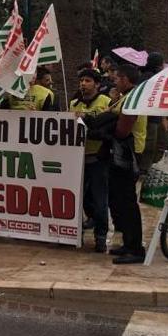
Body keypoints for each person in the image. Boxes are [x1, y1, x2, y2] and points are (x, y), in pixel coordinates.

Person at [107, 64, 147, 264]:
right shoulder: (127, 97)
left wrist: (107, 125)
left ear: (125, 79)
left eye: (116, 78)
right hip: (122, 154)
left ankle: (135, 248)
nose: (114, 81)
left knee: (127, 202)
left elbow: (122, 130)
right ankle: (128, 243)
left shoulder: (132, 99)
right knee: (120, 200)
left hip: (127, 154)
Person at [69, 69, 111, 252]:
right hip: (77, 161)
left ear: (97, 84)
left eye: (87, 80)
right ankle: (79, 230)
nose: (83, 84)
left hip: (98, 159)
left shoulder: (106, 102)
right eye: (81, 81)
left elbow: (108, 129)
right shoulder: (73, 104)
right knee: (80, 199)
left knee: (100, 200)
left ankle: (100, 236)